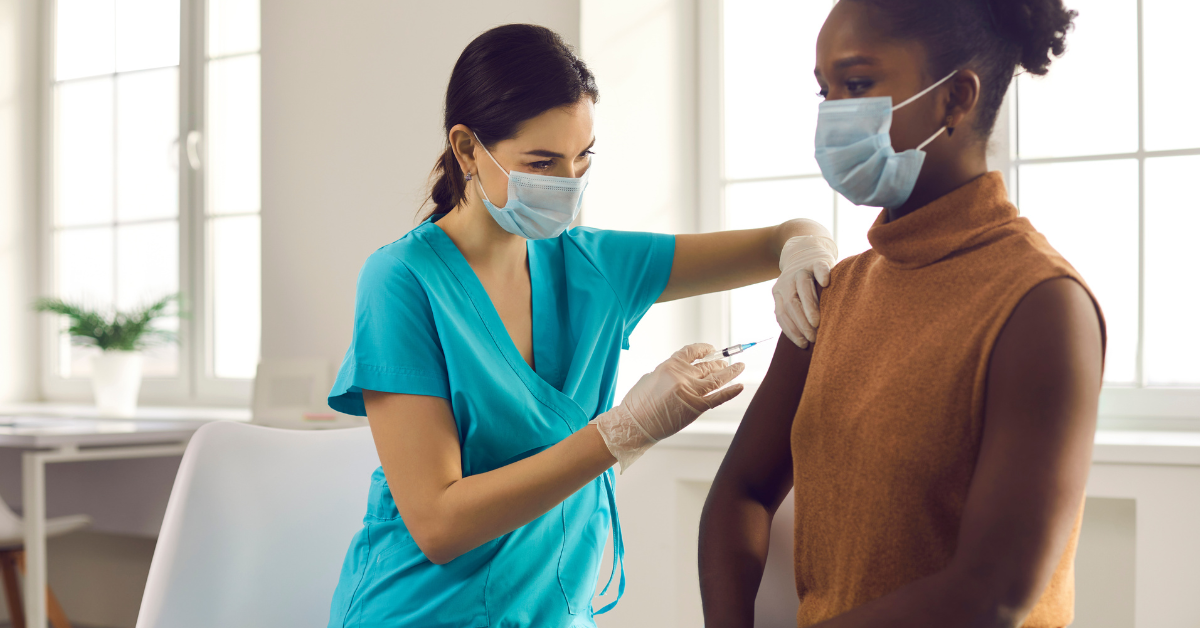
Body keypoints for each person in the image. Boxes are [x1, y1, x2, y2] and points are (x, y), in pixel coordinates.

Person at [325, 24, 838, 628]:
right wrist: (623, 431)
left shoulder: (596, 264)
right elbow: (440, 524)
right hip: (420, 613)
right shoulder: (402, 281)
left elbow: (785, 236)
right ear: (467, 149)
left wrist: (807, 251)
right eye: (541, 162)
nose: (569, 184)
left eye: (583, 156)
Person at [698, 1, 1105, 627]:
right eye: (825, 90)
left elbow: (992, 594)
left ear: (955, 99)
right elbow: (741, 494)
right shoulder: (832, 294)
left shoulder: (1041, 306)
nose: (833, 115)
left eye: (857, 85)